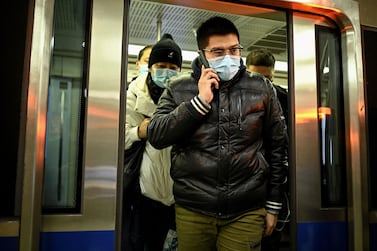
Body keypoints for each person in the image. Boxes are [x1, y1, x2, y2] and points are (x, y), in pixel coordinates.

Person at [147, 16, 288, 251]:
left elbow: (278, 146)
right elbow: (157, 135)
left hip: (247, 208)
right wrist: (199, 102)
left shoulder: (262, 87)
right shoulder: (179, 88)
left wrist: (274, 204)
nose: (229, 58)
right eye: (218, 52)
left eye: (234, 50)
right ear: (202, 54)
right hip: (194, 207)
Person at [124, 33, 182, 251]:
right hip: (143, 190)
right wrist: (140, 131)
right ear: (150, 67)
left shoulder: (186, 94)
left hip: (179, 192)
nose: (166, 70)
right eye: (160, 65)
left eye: (172, 67)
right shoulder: (133, 94)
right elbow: (119, 139)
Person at [246, 48, 290, 251]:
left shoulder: (285, 99)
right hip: (244, 178)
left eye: (268, 79)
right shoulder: (234, 99)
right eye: (257, 78)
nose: (264, 85)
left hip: (273, 177)